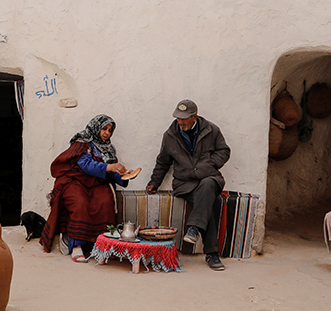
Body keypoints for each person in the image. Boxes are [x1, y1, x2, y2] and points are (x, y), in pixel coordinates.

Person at [145, 100, 231, 271]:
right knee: (206, 201)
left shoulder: (211, 130)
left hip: (210, 177)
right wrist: (154, 182)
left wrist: (210, 164)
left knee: (207, 185)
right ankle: (212, 254)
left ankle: (194, 229)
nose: (181, 122)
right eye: (178, 118)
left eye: (184, 118)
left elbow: (224, 151)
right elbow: (163, 162)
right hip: (185, 184)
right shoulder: (170, 135)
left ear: (194, 117)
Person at [40, 114, 133, 262]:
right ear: (96, 127)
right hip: (75, 181)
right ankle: (76, 245)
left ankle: (102, 245)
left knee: (105, 201)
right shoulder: (82, 142)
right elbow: (86, 165)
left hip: (95, 183)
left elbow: (110, 172)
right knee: (80, 203)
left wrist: (124, 176)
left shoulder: (108, 149)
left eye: (110, 130)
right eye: (104, 129)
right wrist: (110, 166)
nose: (106, 133)